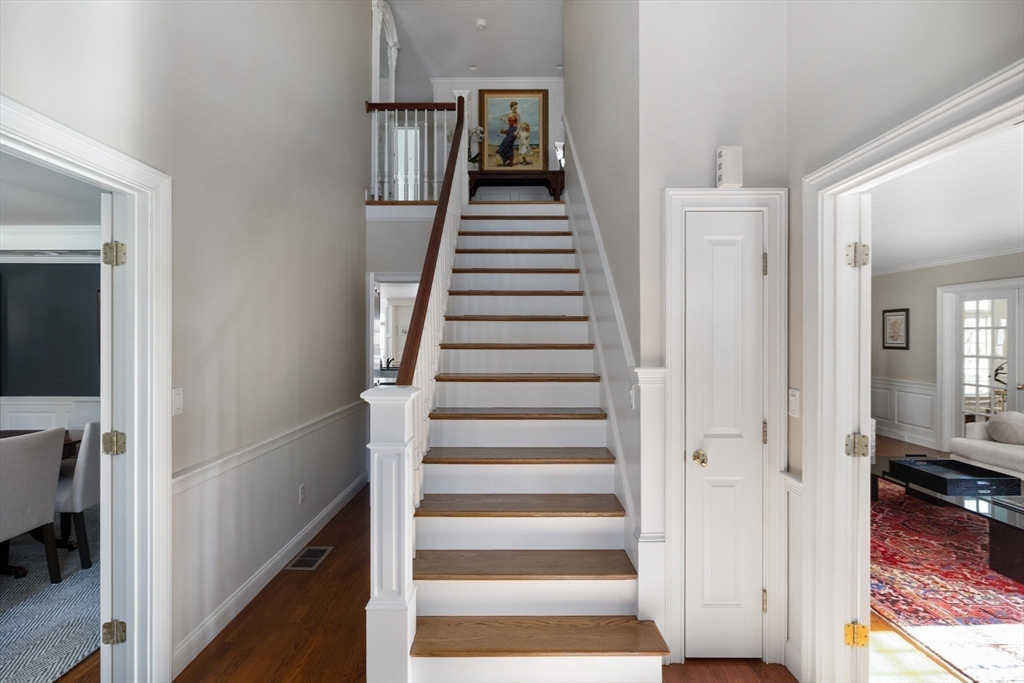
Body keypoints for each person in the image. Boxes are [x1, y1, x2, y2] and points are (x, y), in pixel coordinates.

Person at [496, 101, 520, 166]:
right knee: (509, 145)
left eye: (516, 107)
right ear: (511, 107)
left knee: (506, 143)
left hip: (514, 130)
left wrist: (516, 131)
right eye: (514, 107)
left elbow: (519, 124)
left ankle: (510, 158)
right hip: (510, 129)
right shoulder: (509, 114)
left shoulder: (517, 114)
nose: (515, 109)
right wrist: (504, 120)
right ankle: (510, 161)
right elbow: (509, 124)